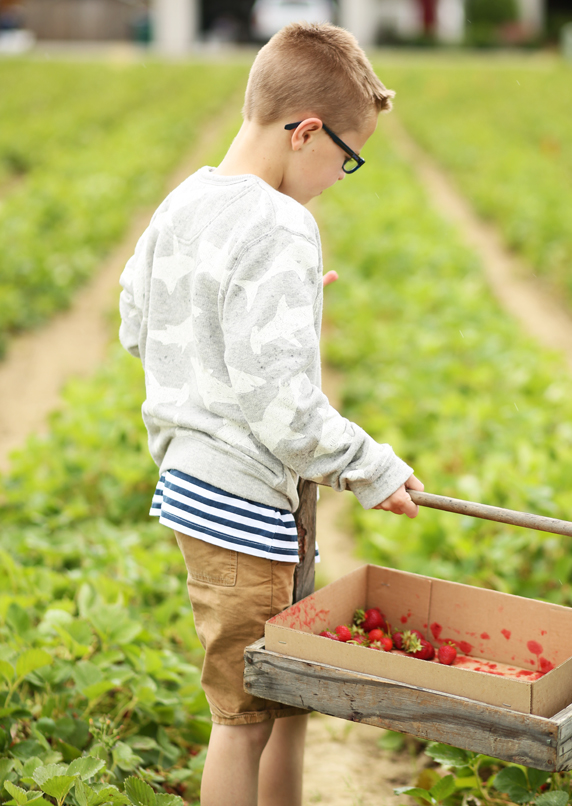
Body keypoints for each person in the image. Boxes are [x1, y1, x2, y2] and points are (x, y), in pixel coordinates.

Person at [119, 21, 423, 806]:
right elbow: (287, 411)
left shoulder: (185, 198)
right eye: (347, 156)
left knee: (283, 696)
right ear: (307, 131)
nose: (343, 175)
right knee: (245, 715)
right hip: (244, 503)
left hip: (191, 488)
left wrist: (264, 316)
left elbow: (134, 317)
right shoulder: (285, 224)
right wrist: (374, 468)